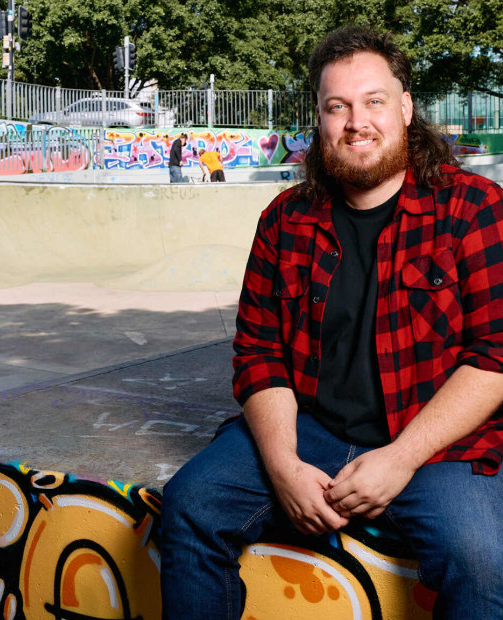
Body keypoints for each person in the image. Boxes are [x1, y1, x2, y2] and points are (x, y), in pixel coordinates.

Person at [160, 24, 503, 620]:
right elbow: (258, 353)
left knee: (481, 559)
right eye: (336, 106)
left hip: (433, 443)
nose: (356, 122)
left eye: (373, 101)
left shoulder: (474, 209)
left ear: (405, 108)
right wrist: (284, 466)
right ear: (318, 119)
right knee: (189, 504)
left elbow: (497, 355)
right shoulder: (284, 220)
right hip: (313, 431)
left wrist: (399, 458)